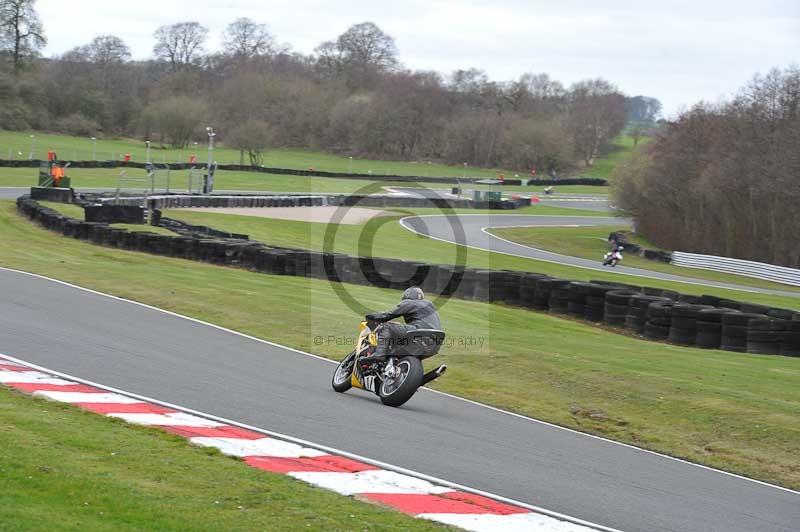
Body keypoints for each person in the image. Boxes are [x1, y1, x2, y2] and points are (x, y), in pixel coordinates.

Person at [365, 286, 441, 361]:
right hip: (436, 343)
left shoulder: (410, 302)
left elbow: (388, 315)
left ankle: (379, 355)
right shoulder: (430, 306)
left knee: (387, 327)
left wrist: (371, 316)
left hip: (419, 334)